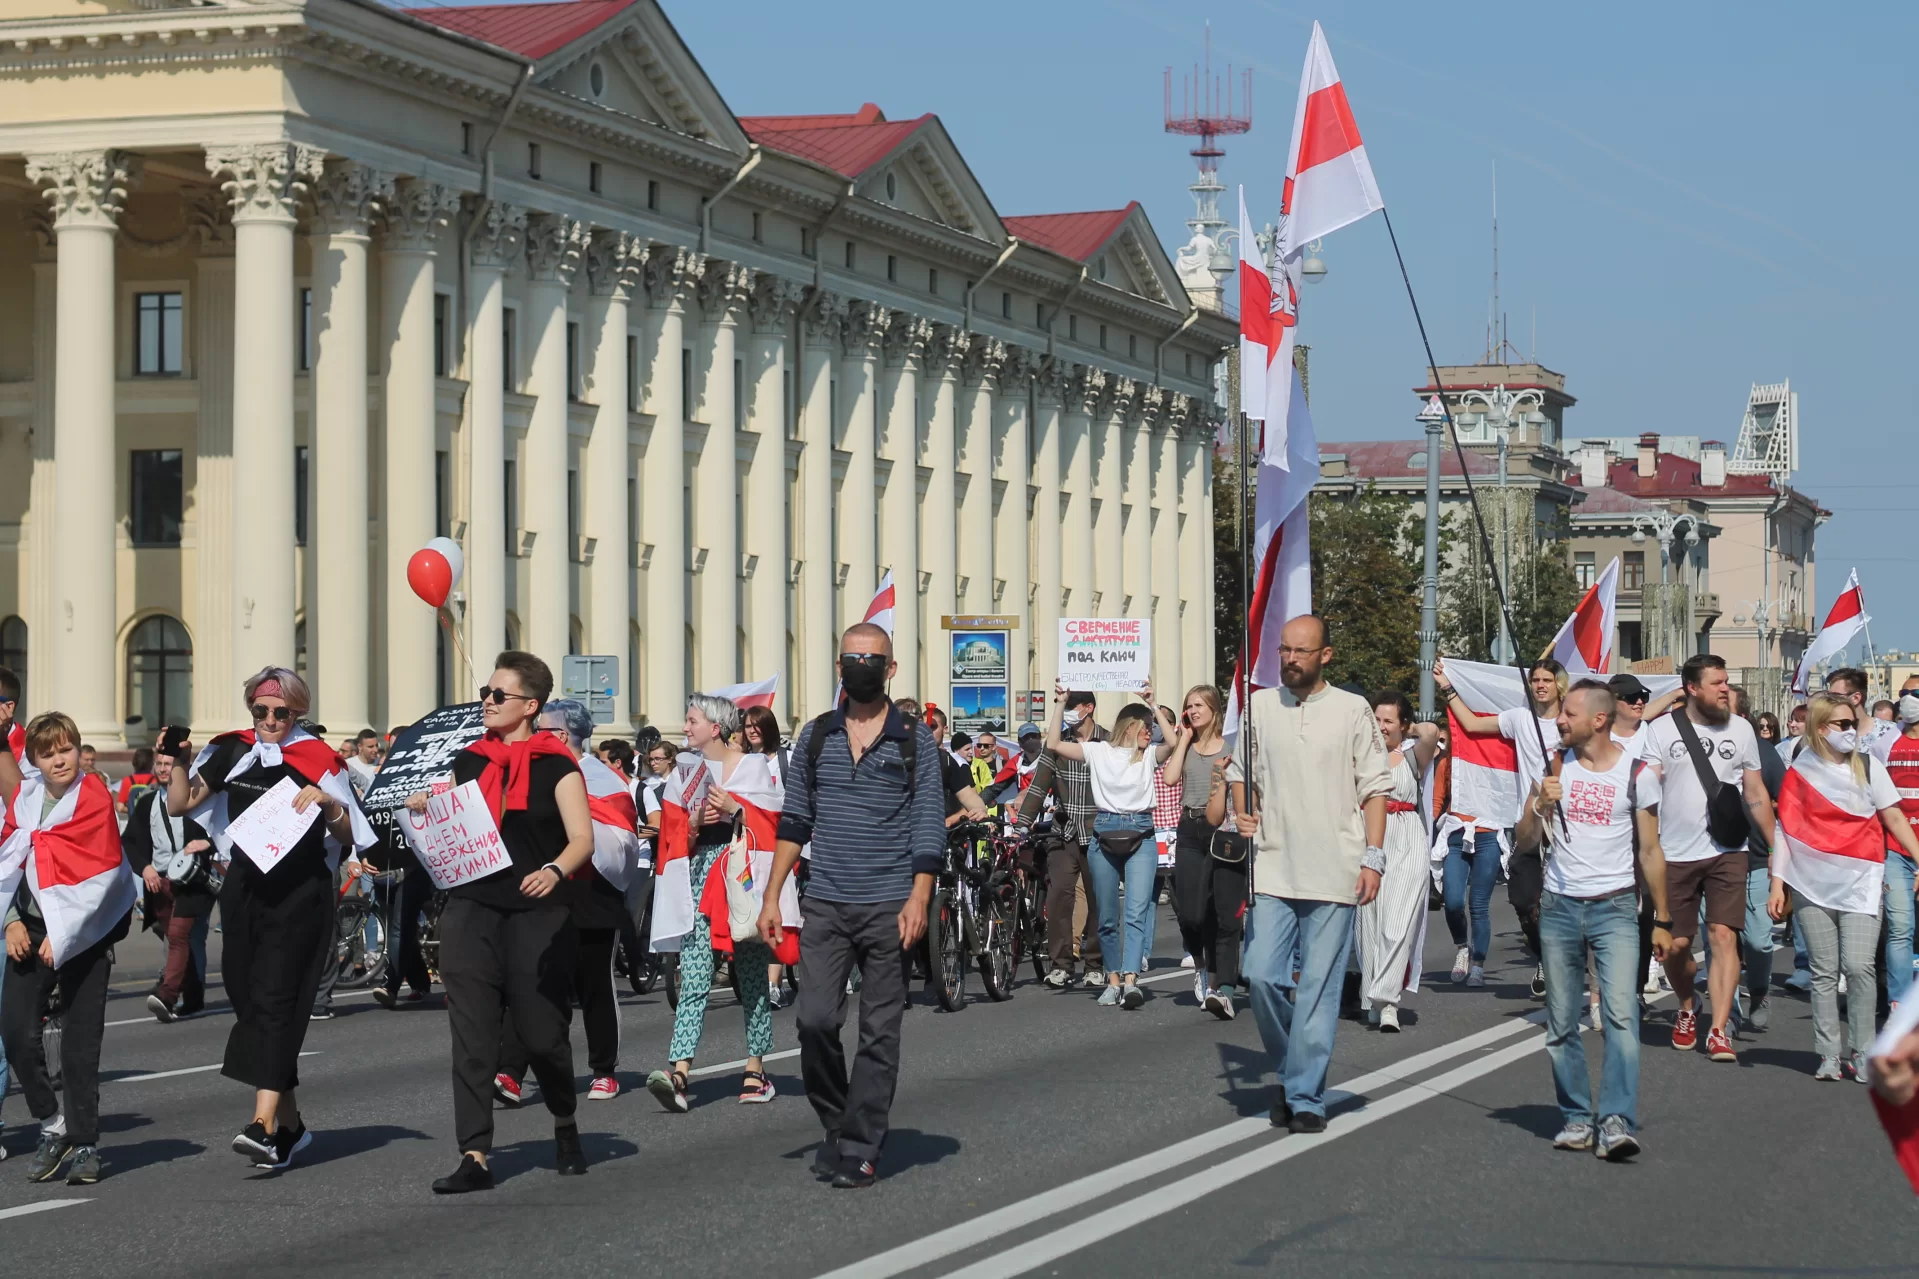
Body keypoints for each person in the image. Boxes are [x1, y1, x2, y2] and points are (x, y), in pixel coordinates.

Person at [759, 621, 944, 1188]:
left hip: (891, 906)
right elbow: (795, 820)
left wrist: (919, 896)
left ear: (890, 670)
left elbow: (927, 824)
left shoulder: (916, 741)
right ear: (840, 667)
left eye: (874, 658)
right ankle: (838, 1123)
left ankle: (862, 1146)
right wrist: (772, 895)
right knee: (814, 1022)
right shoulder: (816, 737)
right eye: (852, 658)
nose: (862, 666)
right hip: (827, 905)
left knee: (878, 1033)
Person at [167, 667, 373, 1171]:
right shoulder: (233, 752)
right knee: (247, 996)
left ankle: (261, 1125)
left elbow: (350, 834)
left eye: (282, 712)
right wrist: (178, 761)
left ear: (297, 712)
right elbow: (181, 803)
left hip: (299, 892)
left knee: (278, 996)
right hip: (244, 888)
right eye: (262, 710)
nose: (270, 720)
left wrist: (328, 804)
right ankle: (293, 1128)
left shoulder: (317, 758)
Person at [420, 651, 595, 1194]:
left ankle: (564, 1122)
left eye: (499, 695)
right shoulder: (470, 759)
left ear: (530, 705)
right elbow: (461, 822)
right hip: (472, 908)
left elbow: (582, 840)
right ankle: (475, 1154)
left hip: (538, 912)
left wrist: (553, 870)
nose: (488, 702)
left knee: (543, 1037)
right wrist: (431, 805)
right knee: (471, 1037)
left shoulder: (557, 764)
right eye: (486, 694)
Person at [1227, 615, 1392, 1134]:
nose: (1290, 658)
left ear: (1326, 655)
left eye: (1301, 651)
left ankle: (1304, 1097)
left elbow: (1374, 789)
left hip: (1335, 869)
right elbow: (1239, 774)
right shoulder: (1260, 707)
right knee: (1259, 975)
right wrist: (1242, 812)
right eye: (1284, 650)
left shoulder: (1351, 709)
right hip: (1273, 864)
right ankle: (1291, 1066)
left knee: (1318, 989)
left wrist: (1374, 858)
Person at [1513, 681, 1673, 1160]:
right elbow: (1524, 841)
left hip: (1617, 908)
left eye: (1568, 713)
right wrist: (1540, 805)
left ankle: (1617, 1119)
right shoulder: (1555, 767)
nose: (1559, 720)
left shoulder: (1637, 772)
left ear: (1598, 720)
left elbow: (1650, 850)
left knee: (1621, 1017)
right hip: (1560, 907)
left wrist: (1663, 917)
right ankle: (1577, 1118)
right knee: (1561, 1021)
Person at [0, 711, 138, 1185]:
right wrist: (11, 920)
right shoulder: (27, 797)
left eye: (67, 749)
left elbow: (100, 878)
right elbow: (9, 859)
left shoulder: (94, 796)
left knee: (81, 1049)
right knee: (16, 1032)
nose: (60, 760)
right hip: (31, 933)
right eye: (48, 752)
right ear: (34, 759)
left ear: (79, 750)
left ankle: (84, 1145)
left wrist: (65, 938)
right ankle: (52, 1126)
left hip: (85, 936)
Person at [645, 694, 784, 1112]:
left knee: (753, 973)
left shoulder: (755, 767)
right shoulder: (684, 773)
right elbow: (672, 835)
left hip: (743, 877)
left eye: (692, 720)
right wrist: (690, 823)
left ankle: (756, 1069)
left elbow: (777, 824)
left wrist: (736, 808)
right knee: (695, 973)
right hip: (702, 877)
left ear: (715, 727)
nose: (685, 728)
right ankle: (680, 1071)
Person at [1770, 693, 1919, 1081]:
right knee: (1823, 971)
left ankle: (1864, 1051)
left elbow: (1894, 818)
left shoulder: (1869, 767)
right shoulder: (1799, 773)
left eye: (1853, 724)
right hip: (1810, 882)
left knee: (1858, 966)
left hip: (1862, 879)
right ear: (1821, 729)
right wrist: (1777, 883)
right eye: (1842, 724)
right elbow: (1784, 830)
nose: (1851, 731)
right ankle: (1828, 1055)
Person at [496, 700, 638, 1105]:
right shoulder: (527, 772)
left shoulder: (604, 779)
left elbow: (621, 839)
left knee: (594, 984)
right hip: (542, 892)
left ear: (558, 736)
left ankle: (604, 1070)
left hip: (593, 893)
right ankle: (510, 1071)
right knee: (532, 982)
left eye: (539, 729)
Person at [1640, 655, 1775, 1063]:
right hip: (1674, 854)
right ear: (1692, 688)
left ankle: (1718, 1029)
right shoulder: (1662, 729)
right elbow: (1647, 785)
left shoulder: (1742, 729)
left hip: (1727, 851)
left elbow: (1754, 792)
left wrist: (1776, 848)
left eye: (1726, 681)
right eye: (1716, 682)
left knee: (1722, 936)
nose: (1724, 688)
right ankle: (1687, 1005)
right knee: (1675, 946)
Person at [1431, 657, 1566, 990]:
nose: (1540, 685)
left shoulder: (1571, 721)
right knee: (1523, 901)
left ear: (1559, 684)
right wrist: (1447, 687)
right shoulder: (1520, 719)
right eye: (1535, 680)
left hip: (1568, 824)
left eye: (1547, 679)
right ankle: (1543, 957)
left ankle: (1561, 966)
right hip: (1530, 823)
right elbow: (1473, 726)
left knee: (1565, 899)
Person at [1044, 685, 1183, 1009]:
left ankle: (1132, 981)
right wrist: (1061, 703)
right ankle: (1113, 980)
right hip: (1104, 835)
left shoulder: (1149, 755)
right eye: (1145, 727)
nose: (1150, 733)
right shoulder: (1099, 751)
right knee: (1106, 916)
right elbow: (1052, 744)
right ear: (1129, 727)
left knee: (1135, 913)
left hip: (1142, 837)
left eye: (1151, 727)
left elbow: (1174, 742)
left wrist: (1151, 702)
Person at [1357, 691, 1439, 1032]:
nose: (1380, 726)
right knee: (1369, 927)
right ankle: (1373, 997)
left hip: (1406, 837)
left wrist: (1405, 731)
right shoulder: (1357, 757)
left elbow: (1432, 733)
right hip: (1368, 839)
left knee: (1398, 923)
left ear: (1403, 725)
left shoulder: (1410, 756)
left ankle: (1388, 1001)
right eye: (1375, 719)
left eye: (1388, 720)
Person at [1014, 691, 1107, 989]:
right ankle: (1061, 964)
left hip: (1099, 830)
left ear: (1088, 708)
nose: (1066, 712)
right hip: (1063, 830)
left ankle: (1095, 963)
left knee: (1098, 899)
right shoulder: (1056, 743)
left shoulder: (1108, 741)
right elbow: (1040, 785)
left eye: (1070, 707)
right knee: (1058, 898)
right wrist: (1022, 825)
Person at [123, 751, 216, 1022]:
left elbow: (224, 830)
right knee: (180, 939)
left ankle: (167, 995)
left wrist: (207, 844)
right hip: (159, 883)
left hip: (192, 882)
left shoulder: (198, 798)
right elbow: (130, 841)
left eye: (170, 764)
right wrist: (145, 868)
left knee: (178, 936)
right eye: (160, 764)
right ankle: (194, 996)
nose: (164, 769)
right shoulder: (146, 802)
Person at [1170, 686, 1240, 1017]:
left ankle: (1214, 983)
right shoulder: (1187, 744)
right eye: (1189, 706)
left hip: (1219, 832)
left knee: (1213, 910)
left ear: (1213, 708)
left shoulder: (1228, 749)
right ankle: (1199, 964)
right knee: (1188, 911)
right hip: (1188, 828)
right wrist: (1184, 737)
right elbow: (1171, 778)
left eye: (1199, 705)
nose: (1193, 710)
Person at [742, 704, 793, 1006]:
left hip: (784, 845)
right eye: (747, 725)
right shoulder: (743, 762)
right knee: (752, 910)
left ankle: (774, 983)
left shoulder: (786, 760)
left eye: (756, 725)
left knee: (779, 911)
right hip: (752, 846)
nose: (751, 730)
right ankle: (752, 973)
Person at [1883, 688, 1919, 1012]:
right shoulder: (1885, 742)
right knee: (1901, 927)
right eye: (1906, 693)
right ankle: (1900, 1005)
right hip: (1894, 849)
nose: (1910, 698)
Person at [114, 747, 157, 818]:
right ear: (151, 763)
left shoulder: (127, 780)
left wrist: (133, 809)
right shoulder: (155, 780)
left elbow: (120, 807)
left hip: (134, 823)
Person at [344, 729, 381, 799]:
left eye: (376, 745)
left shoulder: (382, 764)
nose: (375, 750)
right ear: (360, 746)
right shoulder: (348, 765)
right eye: (370, 747)